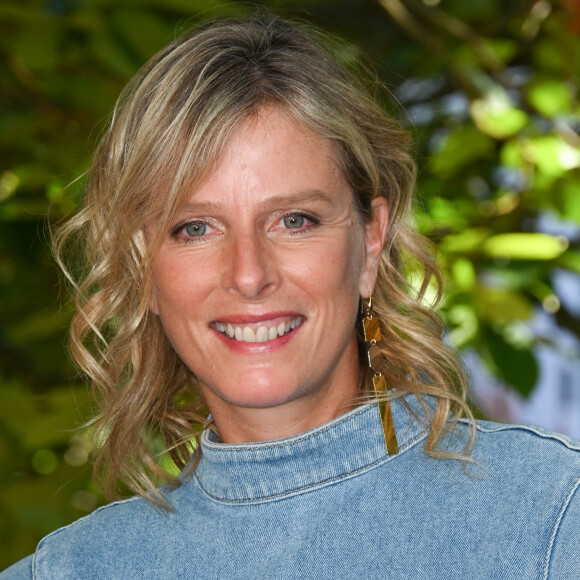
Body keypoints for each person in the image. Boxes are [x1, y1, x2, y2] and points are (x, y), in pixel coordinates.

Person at [2, 14, 579, 580]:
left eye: (295, 220)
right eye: (194, 228)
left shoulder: (549, 521)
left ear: (371, 239)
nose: (249, 275)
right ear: (140, 265)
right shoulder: (75, 569)